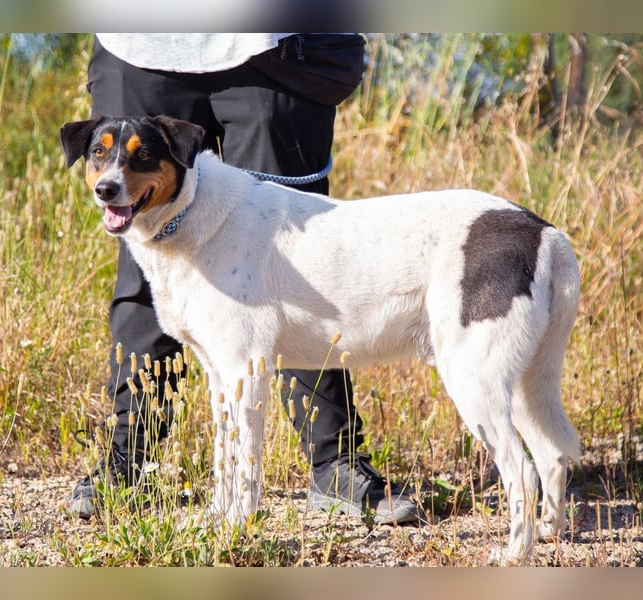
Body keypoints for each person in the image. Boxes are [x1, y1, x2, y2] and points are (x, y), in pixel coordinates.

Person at [65, 33, 420, 525]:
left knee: (303, 259)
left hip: (276, 46)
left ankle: (333, 462)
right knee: (146, 253)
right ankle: (128, 459)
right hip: (141, 44)